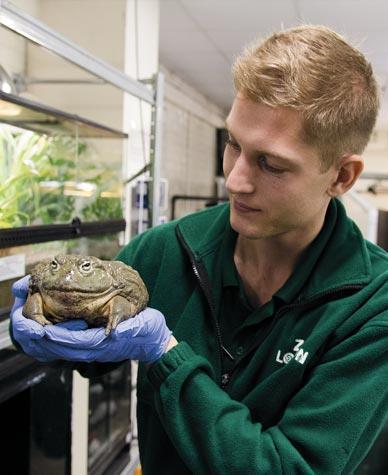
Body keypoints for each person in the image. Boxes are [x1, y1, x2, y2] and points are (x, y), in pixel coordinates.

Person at [10, 25, 388, 474]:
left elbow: (288, 467)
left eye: (270, 163)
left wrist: (166, 354)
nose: (234, 180)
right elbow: (82, 350)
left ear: (342, 177)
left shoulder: (371, 309)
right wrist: (39, 333)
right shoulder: (165, 251)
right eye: (233, 145)